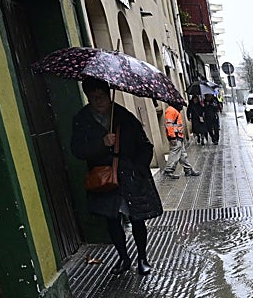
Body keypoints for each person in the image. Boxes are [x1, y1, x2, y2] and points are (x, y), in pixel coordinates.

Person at [70, 78, 163, 275]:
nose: (98, 101)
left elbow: (145, 146)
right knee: (112, 220)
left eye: (101, 96)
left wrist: (138, 168)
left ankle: (142, 258)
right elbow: (77, 150)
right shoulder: (82, 119)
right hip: (104, 178)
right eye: (93, 98)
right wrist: (101, 143)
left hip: (129, 176)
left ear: (108, 95)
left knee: (137, 219)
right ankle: (123, 257)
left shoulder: (124, 117)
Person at [162, 103, 199, 178]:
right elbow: (169, 125)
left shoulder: (174, 110)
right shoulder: (171, 110)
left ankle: (188, 169)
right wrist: (172, 137)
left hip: (178, 136)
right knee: (174, 153)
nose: (181, 105)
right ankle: (168, 171)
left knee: (182, 154)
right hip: (175, 137)